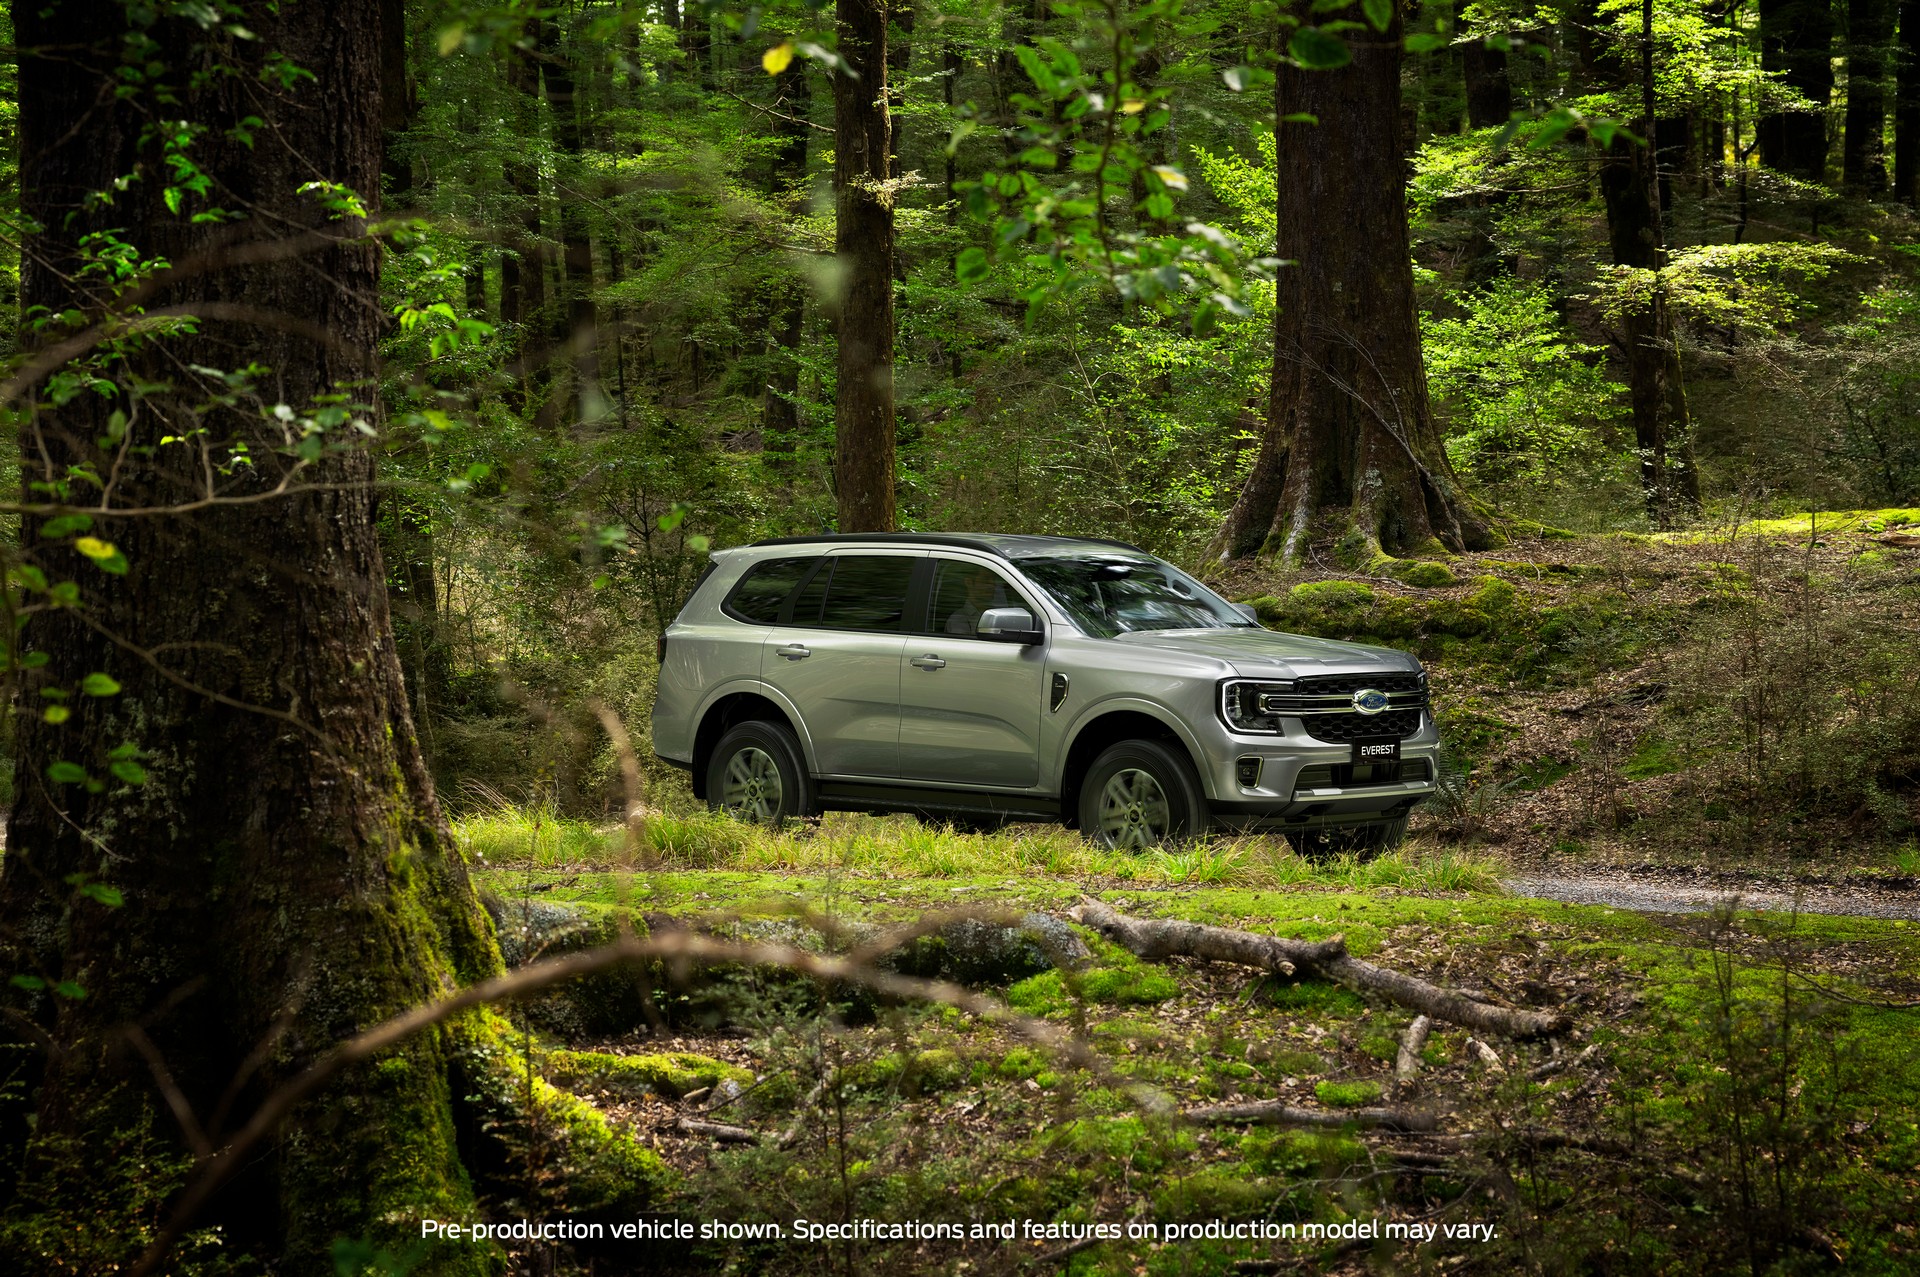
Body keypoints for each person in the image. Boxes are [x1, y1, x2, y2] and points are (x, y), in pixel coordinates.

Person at [944, 568, 1008, 635]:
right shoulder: (959, 619)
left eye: (994, 580)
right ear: (969, 583)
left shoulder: (998, 614)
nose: (993, 585)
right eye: (986, 579)